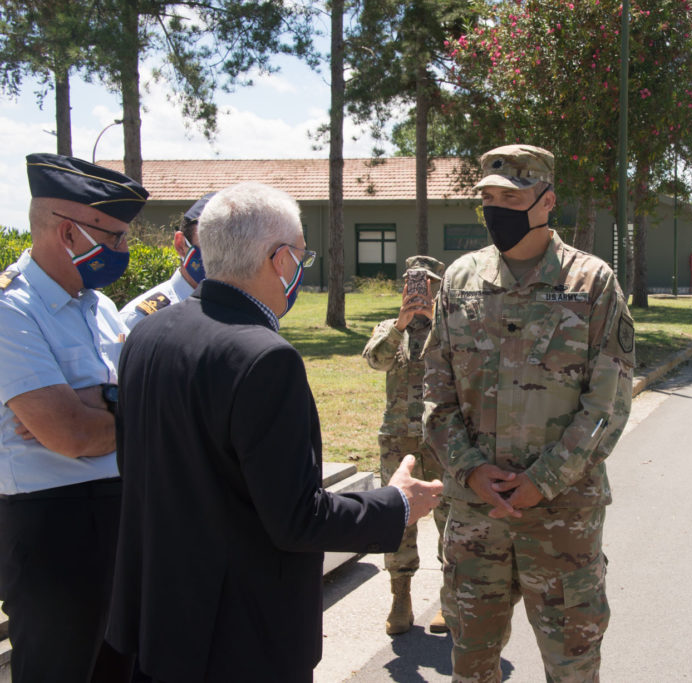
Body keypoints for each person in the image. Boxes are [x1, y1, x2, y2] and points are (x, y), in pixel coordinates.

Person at [106, 182, 443, 683]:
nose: (298, 270)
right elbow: (297, 520)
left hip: (156, 618)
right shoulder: (265, 358)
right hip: (238, 637)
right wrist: (397, 504)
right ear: (280, 259)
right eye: (301, 259)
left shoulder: (149, 333)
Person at [422, 144, 635, 682]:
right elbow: (436, 391)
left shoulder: (592, 284)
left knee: (572, 667)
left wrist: (545, 479)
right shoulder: (460, 281)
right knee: (471, 665)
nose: (497, 208)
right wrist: (469, 468)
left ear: (546, 202)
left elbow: (607, 403)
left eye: (511, 197)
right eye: (488, 198)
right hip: (476, 519)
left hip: (561, 523)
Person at [0, 153, 148, 682]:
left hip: (120, 512)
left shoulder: (100, 306)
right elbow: (68, 433)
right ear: (68, 232)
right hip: (52, 527)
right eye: (113, 239)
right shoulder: (10, 310)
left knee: (119, 668)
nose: (123, 251)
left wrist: (99, 406)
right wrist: (118, 412)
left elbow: (136, 406)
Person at [362, 254, 450, 636]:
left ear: (438, 287)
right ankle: (401, 598)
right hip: (398, 440)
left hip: (443, 438)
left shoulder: (450, 328)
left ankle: (450, 599)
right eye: (414, 284)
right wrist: (399, 323)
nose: (420, 291)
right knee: (398, 521)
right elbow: (376, 361)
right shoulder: (388, 328)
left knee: (451, 519)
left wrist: (434, 320)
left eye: (428, 284)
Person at [120, 192, 215, 329]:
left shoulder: (247, 310)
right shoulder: (140, 320)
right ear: (181, 245)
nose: (225, 256)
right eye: (211, 244)